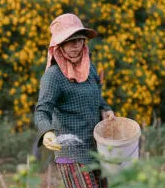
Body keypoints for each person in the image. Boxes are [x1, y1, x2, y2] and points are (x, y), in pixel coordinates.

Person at [34, 13, 115, 165]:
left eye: (79, 40)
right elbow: (42, 111)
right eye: (70, 41)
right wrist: (47, 132)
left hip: (96, 150)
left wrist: (106, 109)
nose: (76, 45)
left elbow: (96, 95)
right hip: (71, 153)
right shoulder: (53, 76)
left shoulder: (89, 68)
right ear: (60, 45)